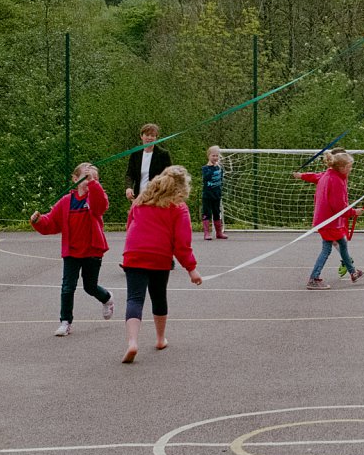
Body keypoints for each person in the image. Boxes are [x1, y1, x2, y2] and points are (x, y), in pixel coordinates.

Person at [121, 166, 203, 363]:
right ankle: (160, 339)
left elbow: (129, 225)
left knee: (134, 298)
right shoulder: (178, 207)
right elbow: (182, 243)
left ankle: (132, 342)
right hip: (159, 256)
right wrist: (192, 269)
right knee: (158, 297)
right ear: (181, 187)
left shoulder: (141, 200)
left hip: (134, 252)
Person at [30, 163, 114, 336]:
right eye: (86, 177)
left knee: (90, 287)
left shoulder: (95, 197)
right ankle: (65, 321)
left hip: (92, 251)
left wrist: (93, 183)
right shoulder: (66, 202)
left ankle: (107, 298)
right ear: (75, 179)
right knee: (67, 287)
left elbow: (101, 205)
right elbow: (52, 222)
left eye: (95, 178)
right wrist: (38, 221)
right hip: (72, 252)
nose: (91, 180)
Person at [293, 150, 364, 290]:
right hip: (328, 221)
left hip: (325, 219)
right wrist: (354, 212)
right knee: (326, 249)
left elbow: (315, 176)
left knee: (342, 244)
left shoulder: (328, 174)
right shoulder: (336, 180)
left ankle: (353, 272)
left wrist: (301, 175)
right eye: (349, 167)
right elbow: (339, 206)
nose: (351, 169)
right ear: (341, 167)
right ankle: (314, 278)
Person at [125, 123, 172, 201]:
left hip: (157, 197)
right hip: (138, 197)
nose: (149, 138)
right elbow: (130, 174)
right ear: (141, 136)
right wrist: (128, 188)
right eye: (147, 135)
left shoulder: (163, 154)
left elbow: (169, 176)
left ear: (156, 138)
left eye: (152, 135)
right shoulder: (135, 154)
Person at [201, 145, 228, 240]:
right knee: (206, 213)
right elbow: (206, 177)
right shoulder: (205, 168)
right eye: (213, 156)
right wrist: (211, 166)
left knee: (217, 213)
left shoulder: (219, 168)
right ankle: (206, 233)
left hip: (217, 195)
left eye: (217, 156)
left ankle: (219, 233)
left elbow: (221, 180)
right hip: (207, 195)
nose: (215, 158)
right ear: (208, 156)